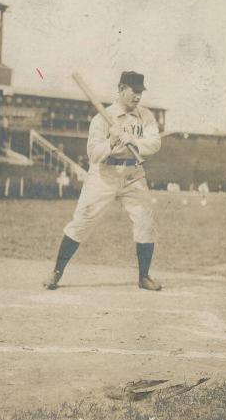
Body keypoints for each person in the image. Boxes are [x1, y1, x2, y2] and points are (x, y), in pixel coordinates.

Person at [43, 71, 162, 291]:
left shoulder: (146, 116)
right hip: (104, 175)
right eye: (134, 91)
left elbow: (155, 143)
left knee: (146, 221)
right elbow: (93, 154)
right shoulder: (102, 118)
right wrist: (111, 143)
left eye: (140, 92)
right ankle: (56, 272)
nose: (138, 97)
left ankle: (144, 277)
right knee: (82, 221)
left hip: (133, 175)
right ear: (121, 89)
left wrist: (133, 141)